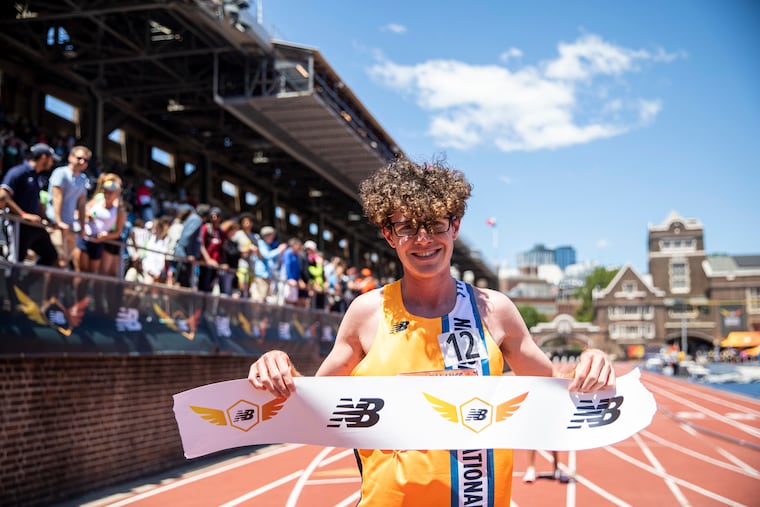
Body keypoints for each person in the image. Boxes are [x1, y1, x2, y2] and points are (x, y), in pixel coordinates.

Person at [248, 157, 615, 506]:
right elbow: (312, 403)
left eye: (436, 224)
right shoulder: (366, 313)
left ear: (454, 227)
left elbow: (554, 384)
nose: (423, 239)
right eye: (407, 227)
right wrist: (278, 367)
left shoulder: (495, 311)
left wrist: (589, 363)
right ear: (389, 235)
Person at [0, 143, 60, 266]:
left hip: (33, 226)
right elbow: (2, 195)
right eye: (51, 159)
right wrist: (23, 214)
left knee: (51, 256)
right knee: (15, 262)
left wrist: (47, 220)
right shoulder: (19, 171)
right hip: (17, 225)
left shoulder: (38, 177)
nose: (52, 163)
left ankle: (23, 284)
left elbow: (36, 203)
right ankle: (12, 285)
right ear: (43, 157)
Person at [45, 145, 90, 269]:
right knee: (57, 260)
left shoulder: (83, 179)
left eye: (85, 160)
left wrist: (82, 226)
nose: (82, 162)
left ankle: (55, 289)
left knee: (64, 263)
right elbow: (57, 198)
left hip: (69, 226)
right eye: (79, 158)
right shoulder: (60, 173)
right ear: (71, 157)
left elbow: (81, 204)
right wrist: (58, 221)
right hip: (55, 223)